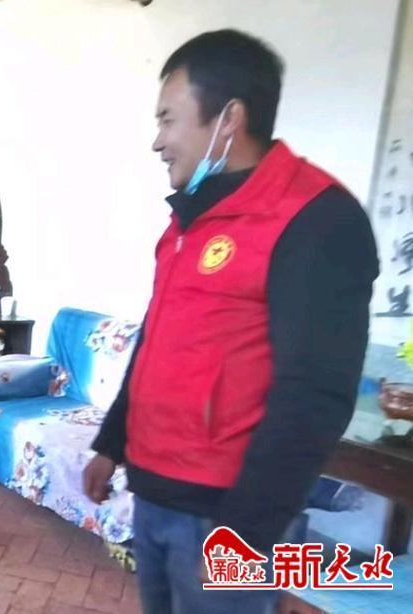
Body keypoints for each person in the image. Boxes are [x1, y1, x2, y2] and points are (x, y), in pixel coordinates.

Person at [83, 30, 378, 614]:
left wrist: (243, 534)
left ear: (228, 119)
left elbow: (314, 395)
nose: (158, 141)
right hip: (155, 494)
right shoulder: (189, 219)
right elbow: (158, 341)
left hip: (226, 512)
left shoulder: (316, 218)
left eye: (168, 120)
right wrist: (111, 444)